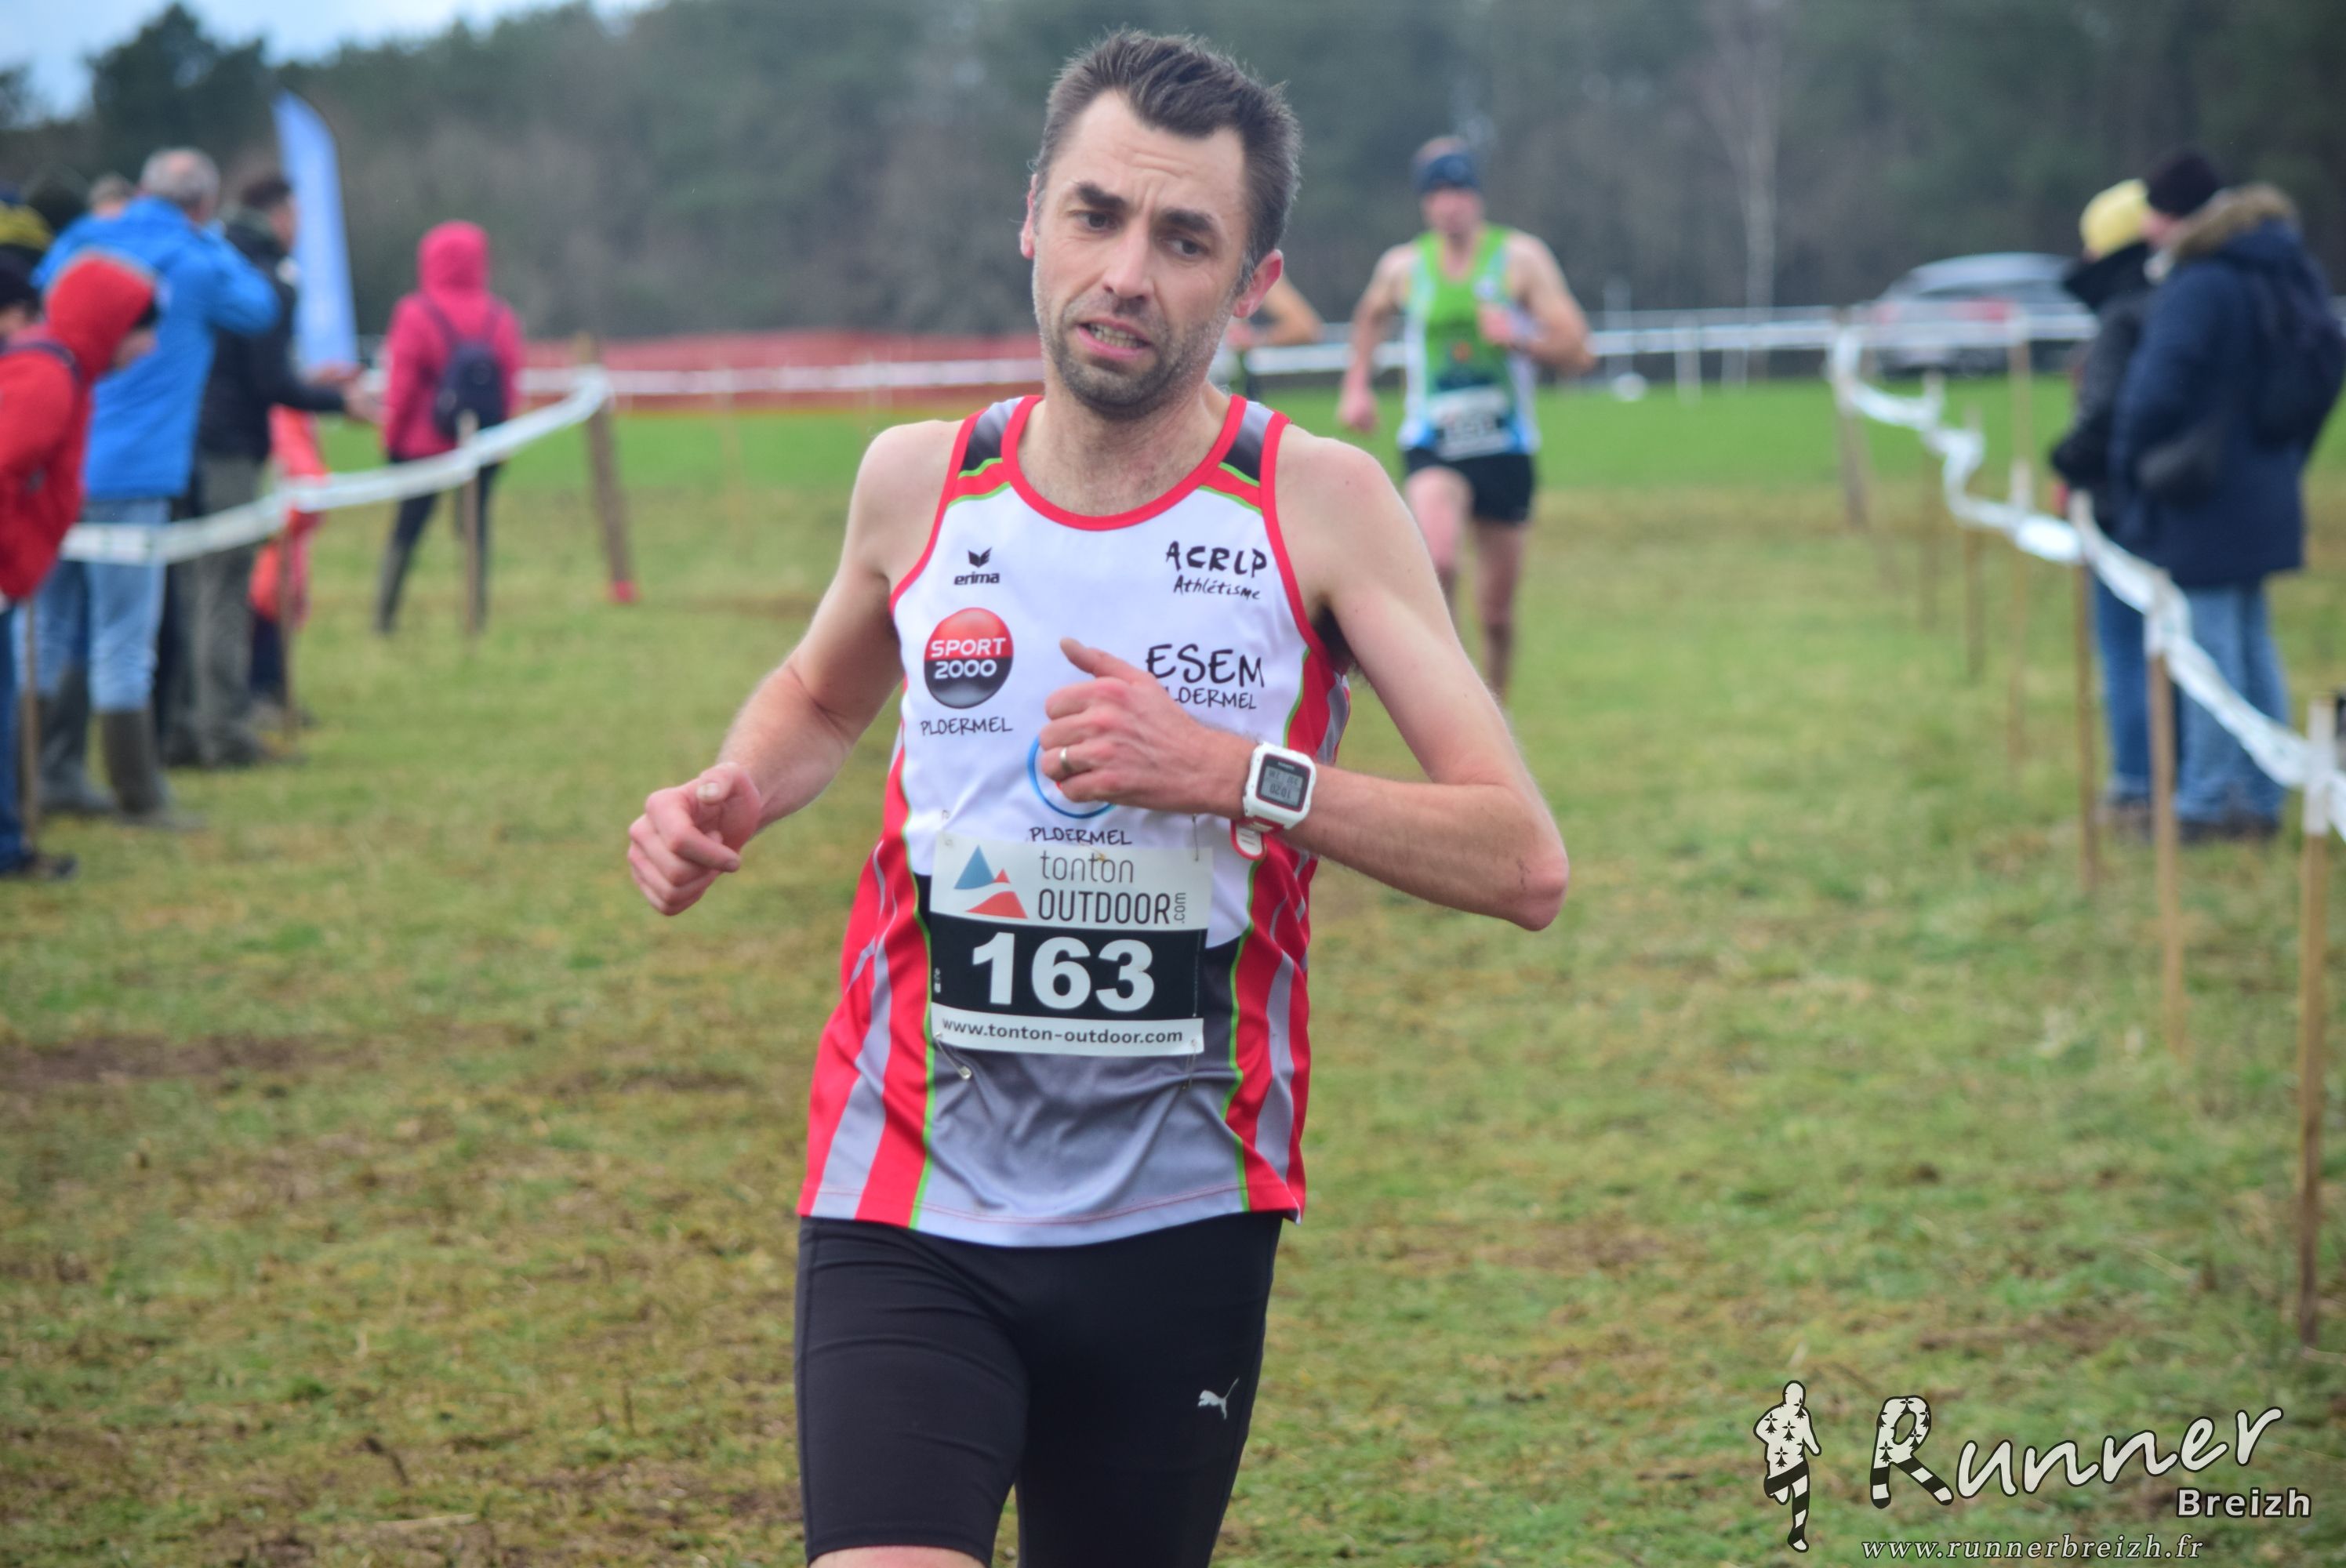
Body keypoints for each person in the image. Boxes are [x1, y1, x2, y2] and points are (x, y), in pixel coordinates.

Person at [625, 31, 1567, 1567]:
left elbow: (1521, 859)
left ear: (1252, 281)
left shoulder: (1318, 504)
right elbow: (820, 697)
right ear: (1031, 219)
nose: (1126, 273)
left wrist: (1231, 774)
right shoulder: (919, 481)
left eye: (1183, 239)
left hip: (1178, 1218)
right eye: (1095, 215)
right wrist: (731, 790)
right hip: (904, 1193)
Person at [31, 148, 278, 828]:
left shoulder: (84, 239)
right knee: (124, 636)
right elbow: (259, 307)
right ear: (204, 205)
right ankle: (138, 793)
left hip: (61, 453)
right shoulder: (198, 260)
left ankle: (42, 777)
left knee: (51, 629)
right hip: (138, 470)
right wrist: (210, 239)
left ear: (142, 190)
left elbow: (41, 298)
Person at [2112, 150, 2338, 843]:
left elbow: (2157, 387)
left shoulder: (2204, 281)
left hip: (2203, 492)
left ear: (2179, 217)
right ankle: (2261, 797)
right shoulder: (2286, 270)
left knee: (2209, 649)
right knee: (2248, 639)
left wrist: (2130, 461)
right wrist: (2286, 455)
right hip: (2266, 481)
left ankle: (2208, 804)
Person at [1338, 138, 1592, 703]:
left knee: (1496, 613)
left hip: (1505, 446)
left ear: (1477, 196)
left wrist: (1522, 338)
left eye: (1459, 190)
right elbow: (1370, 316)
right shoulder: (1404, 266)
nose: (1449, 204)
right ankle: (1453, 696)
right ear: (1424, 204)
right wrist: (1357, 386)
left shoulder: (1520, 259)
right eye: (1437, 193)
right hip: (1435, 440)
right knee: (1439, 559)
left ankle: (1496, 700)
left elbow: (1579, 349)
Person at [173, 173, 373, 768]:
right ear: (279, 215)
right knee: (225, 590)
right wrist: (340, 402)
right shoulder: (262, 279)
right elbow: (268, 382)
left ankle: (185, 726)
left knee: (191, 591)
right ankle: (225, 732)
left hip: (187, 444)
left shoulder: (211, 261)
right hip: (228, 450)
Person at [0, 250, 162, 881]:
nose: (148, 348)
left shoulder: (61, 372)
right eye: (142, 331)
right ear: (110, 324)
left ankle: (11, 842)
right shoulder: (45, 378)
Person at [2050, 179, 2164, 837]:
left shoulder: (2124, 318)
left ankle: (2137, 790)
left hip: (2123, 509)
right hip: (2158, 505)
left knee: (2126, 651)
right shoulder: (2168, 305)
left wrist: (2067, 464)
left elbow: (2105, 418)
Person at [373, 220, 521, 633]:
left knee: (407, 530)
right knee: (476, 531)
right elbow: (510, 384)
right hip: (482, 445)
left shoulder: (415, 313)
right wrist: (502, 440)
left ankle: (384, 616)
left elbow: (401, 387)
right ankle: (476, 614)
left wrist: (391, 439)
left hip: (423, 446)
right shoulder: (499, 316)